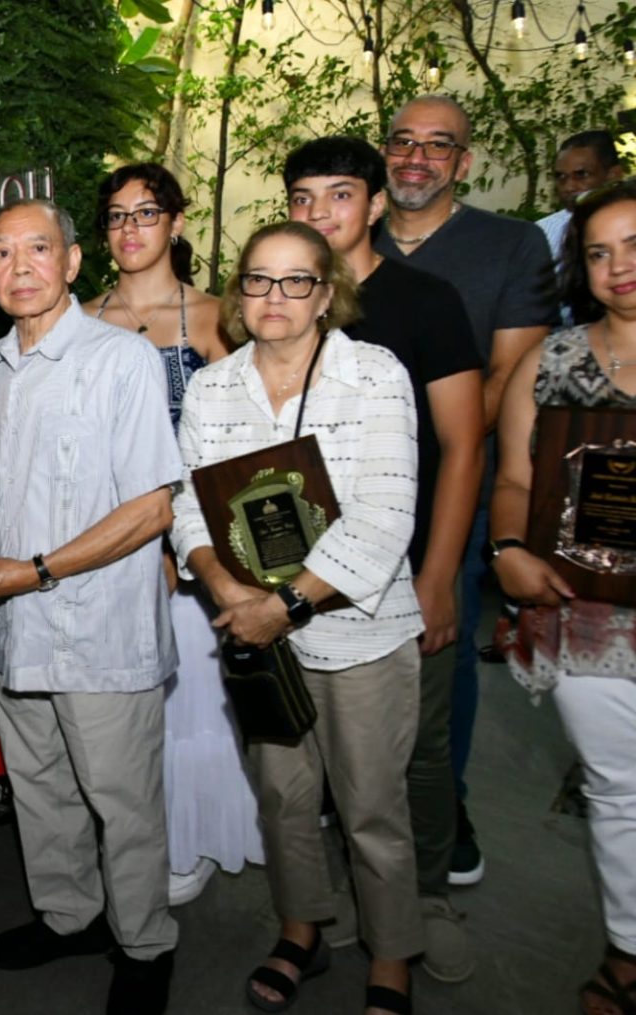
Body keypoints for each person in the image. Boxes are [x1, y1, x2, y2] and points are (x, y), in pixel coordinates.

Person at [0, 198, 181, 1015]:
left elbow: (151, 508)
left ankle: (145, 943)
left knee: (123, 804)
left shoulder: (123, 361)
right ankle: (70, 915)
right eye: (1, 254)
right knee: (40, 790)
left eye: (36, 249)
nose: (18, 268)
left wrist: (34, 570)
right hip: (17, 629)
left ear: (73, 263)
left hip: (101, 632)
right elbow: (0, 484)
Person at [173, 222, 423, 1015]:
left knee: (371, 806)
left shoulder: (373, 374)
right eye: (257, 279)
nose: (273, 298)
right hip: (254, 634)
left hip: (359, 634)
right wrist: (225, 588)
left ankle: (391, 954)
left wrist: (282, 605)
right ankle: (301, 927)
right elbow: (188, 506)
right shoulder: (214, 387)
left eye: (295, 281)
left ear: (327, 292)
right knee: (282, 795)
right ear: (238, 291)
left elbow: (384, 515)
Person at [285, 136, 484, 984]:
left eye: (338, 196)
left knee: (418, 747)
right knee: (321, 753)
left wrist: (437, 576)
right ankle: (337, 902)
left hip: (401, 564)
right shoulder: (285, 299)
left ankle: (426, 898)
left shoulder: (426, 300)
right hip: (304, 570)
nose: (318, 213)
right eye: (302, 197)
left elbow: (464, 446)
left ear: (372, 205)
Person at [374, 94, 559, 887]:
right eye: (403, 141)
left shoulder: (511, 247)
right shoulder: (347, 232)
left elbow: (508, 379)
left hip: (454, 482)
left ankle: (443, 806)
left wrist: (416, 464)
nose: (417, 158)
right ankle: (358, 798)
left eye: (438, 146)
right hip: (340, 492)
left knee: (438, 648)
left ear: (464, 162)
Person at [80, 164, 262, 908]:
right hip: (100, 537)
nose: (131, 228)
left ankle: (187, 839)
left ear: (177, 222)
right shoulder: (81, 319)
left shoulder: (219, 317)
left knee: (186, 700)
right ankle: (126, 839)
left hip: (193, 542)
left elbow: (242, 444)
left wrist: (177, 541)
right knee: (117, 709)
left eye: (146, 212)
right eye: (117, 216)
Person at [491, 178, 636, 1015]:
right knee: (617, 790)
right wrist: (506, 547)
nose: (619, 267)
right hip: (584, 612)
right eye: (599, 251)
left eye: (634, 244)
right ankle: (627, 949)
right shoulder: (550, 360)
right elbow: (513, 476)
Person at [537, 131, 626, 272]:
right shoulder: (543, 233)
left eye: (581, 175)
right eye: (561, 177)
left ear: (613, 175)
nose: (569, 186)